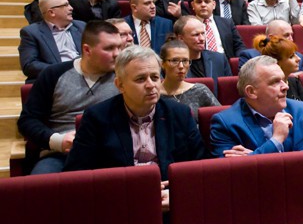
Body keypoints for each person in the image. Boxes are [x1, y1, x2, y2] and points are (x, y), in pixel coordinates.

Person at [64, 44, 206, 182]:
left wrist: (175, 193)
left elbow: (200, 166)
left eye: (155, 77)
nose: (151, 85)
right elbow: (77, 174)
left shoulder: (180, 113)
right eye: (141, 79)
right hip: (120, 198)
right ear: (120, 85)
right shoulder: (97, 118)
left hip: (170, 196)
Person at [18, 21, 121, 174]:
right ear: (87, 50)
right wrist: (58, 141)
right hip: (61, 154)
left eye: (120, 47)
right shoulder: (53, 74)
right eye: (109, 48)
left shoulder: (123, 77)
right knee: (40, 188)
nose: (117, 54)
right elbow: (27, 121)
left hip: (109, 152)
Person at [209, 55, 303, 162]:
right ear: (251, 92)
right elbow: (232, 174)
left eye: (283, 79)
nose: (285, 86)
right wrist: (276, 140)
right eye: (275, 82)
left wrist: (254, 158)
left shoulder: (302, 110)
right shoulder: (225, 123)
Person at [19, 0, 85, 82]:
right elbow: (29, 65)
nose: (71, 8)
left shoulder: (81, 26)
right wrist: (63, 69)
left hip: (85, 76)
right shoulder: (31, 33)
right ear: (52, 12)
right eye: (65, 5)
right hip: (56, 79)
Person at [159, 38, 220, 121]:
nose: (181, 66)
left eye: (185, 61)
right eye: (174, 60)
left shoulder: (200, 91)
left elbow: (221, 120)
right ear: (162, 64)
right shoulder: (154, 94)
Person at [252, 35, 303, 101]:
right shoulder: (268, 88)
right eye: (291, 56)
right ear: (277, 62)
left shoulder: (294, 81)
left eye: (296, 54)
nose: (298, 59)